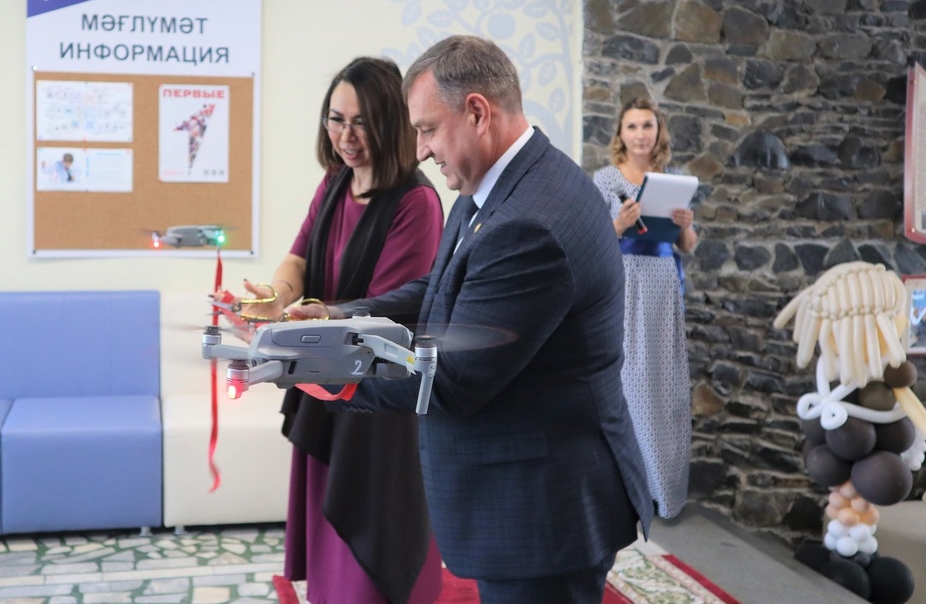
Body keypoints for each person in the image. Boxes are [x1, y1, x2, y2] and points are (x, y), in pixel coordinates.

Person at [287, 36, 652, 604]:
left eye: (428, 129)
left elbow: (453, 379)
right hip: (531, 492)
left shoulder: (529, 222)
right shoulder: (505, 179)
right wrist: (339, 315)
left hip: (540, 509)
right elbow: (441, 287)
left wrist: (318, 362)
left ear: (478, 112)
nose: (420, 150)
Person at [230, 56, 444, 604]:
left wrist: (303, 322)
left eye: (361, 123)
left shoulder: (417, 203)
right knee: (330, 553)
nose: (346, 137)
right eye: (336, 119)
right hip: (325, 382)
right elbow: (299, 257)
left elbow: (388, 315)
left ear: (391, 122)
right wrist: (274, 297)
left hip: (377, 399)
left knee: (372, 540)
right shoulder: (334, 183)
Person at [592, 97, 698, 520]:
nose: (640, 134)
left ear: (658, 131)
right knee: (626, 381)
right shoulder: (605, 179)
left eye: (647, 126)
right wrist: (619, 224)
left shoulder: (673, 179)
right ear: (621, 133)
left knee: (663, 386)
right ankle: (621, 489)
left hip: (662, 285)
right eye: (632, 126)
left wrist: (686, 227)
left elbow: (686, 246)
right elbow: (592, 239)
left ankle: (661, 490)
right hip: (624, 282)